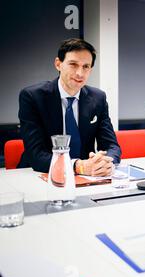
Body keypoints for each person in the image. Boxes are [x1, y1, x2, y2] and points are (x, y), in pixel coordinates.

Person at [18, 38, 121, 176]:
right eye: (73, 64)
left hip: (87, 176)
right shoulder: (33, 97)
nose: (80, 73)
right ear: (58, 64)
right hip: (41, 174)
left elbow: (112, 146)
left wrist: (106, 162)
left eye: (86, 66)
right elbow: (36, 155)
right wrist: (78, 166)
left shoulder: (98, 98)